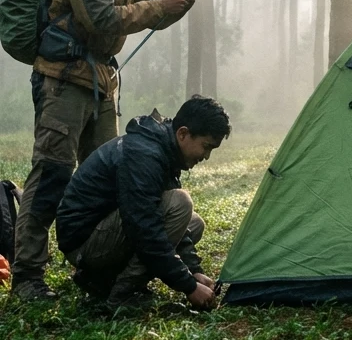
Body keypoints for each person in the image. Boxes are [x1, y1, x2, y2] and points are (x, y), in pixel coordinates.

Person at [12, 0, 218, 300]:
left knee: (112, 178)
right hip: (63, 79)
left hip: (102, 83)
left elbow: (153, 15)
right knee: (52, 175)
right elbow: (101, 19)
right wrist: (159, 6)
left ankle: (97, 271)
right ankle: (27, 276)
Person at [55, 95, 230, 310]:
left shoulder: (164, 148)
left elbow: (156, 221)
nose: (206, 156)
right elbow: (144, 228)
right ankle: (123, 294)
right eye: (206, 146)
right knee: (180, 203)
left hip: (106, 233)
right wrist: (189, 286)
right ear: (183, 133)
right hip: (84, 244)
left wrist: (194, 271)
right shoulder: (144, 155)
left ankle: (102, 280)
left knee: (193, 223)